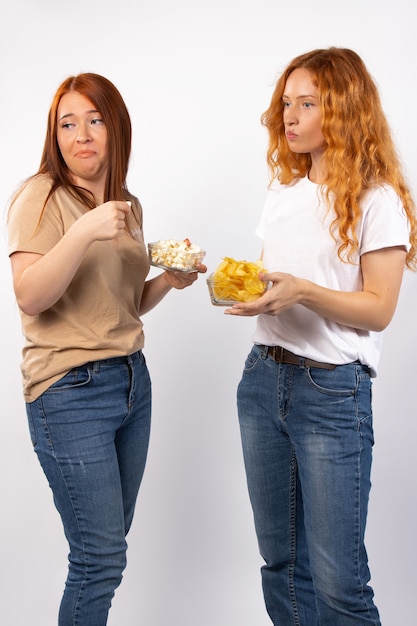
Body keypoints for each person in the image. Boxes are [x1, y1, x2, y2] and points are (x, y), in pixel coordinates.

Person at [225, 47, 417, 625]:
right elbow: (271, 279)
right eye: (287, 103)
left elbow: (379, 309)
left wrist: (304, 291)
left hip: (333, 394)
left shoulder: (377, 200)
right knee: (281, 564)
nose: (291, 116)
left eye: (307, 103)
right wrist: (237, 283)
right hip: (263, 381)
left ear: (343, 110)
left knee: (339, 583)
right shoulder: (283, 194)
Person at [7, 72, 206, 626]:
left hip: (131, 386)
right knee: (100, 559)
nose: (82, 134)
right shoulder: (39, 197)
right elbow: (30, 296)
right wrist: (84, 231)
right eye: (67, 124)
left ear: (116, 128)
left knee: (108, 549)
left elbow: (119, 307)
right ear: (55, 135)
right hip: (68, 392)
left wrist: (167, 280)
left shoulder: (128, 205)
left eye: (94, 120)